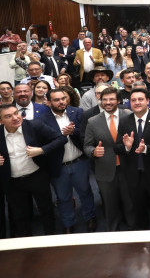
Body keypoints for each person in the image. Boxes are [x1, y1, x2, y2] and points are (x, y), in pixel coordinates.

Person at [0, 104, 66, 237]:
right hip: (13, 182)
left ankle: (50, 237)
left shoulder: (35, 126)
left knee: (46, 210)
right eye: (8, 116)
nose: (15, 118)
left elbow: (61, 139)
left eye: (16, 113)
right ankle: (26, 244)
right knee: (20, 215)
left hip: (37, 176)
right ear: (1, 121)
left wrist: (42, 150)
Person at [39, 88, 97, 233]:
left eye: (63, 98)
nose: (61, 102)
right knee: (63, 197)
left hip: (79, 162)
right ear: (48, 101)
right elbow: (43, 141)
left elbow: (86, 134)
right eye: (56, 100)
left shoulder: (77, 112)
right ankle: (68, 223)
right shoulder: (42, 118)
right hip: (58, 165)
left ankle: (90, 217)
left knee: (85, 192)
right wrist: (60, 135)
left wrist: (74, 131)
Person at [116, 88, 150, 230]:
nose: (137, 103)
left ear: (147, 101)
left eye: (140, 99)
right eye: (133, 100)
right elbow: (117, 147)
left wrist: (146, 149)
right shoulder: (124, 121)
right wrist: (127, 147)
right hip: (133, 174)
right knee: (139, 211)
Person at [83, 87, 134, 231]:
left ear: (118, 100)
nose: (108, 102)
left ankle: (134, 231)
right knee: (110, 206)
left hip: (127, 167)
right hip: (105, 170)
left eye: (111, 99)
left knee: (130, 203)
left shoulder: (128, 115)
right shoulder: (92, 121)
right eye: (104, 99)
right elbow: (86, 146)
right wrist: (93, 152)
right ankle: (113, 233)